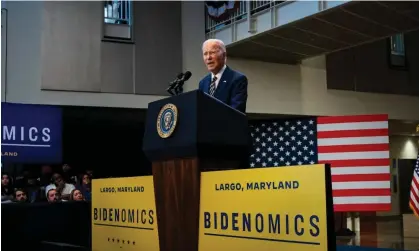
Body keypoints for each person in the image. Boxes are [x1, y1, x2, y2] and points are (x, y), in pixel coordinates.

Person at [198, 39, 248, 113]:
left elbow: (235, 112)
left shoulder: (238, 79)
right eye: (205, 54)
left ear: (224, 55)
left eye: (212, 52)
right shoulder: (203, 83)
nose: (208, 57)